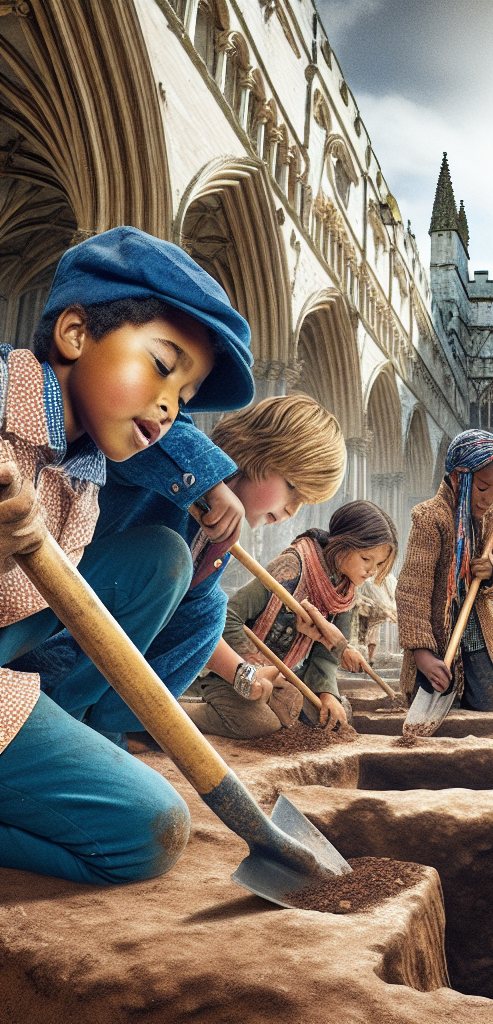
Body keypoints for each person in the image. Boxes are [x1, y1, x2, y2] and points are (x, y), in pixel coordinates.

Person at [0, 225, 253, 883]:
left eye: (186, 395)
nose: (170, 405)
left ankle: (72, 726)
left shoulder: (86, 471)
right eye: (163, 366)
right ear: (76, 335)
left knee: (160, 558)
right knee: (146, 833)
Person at [15, 394, 347, 745]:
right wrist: (211, 482)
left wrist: (244, 675)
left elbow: (183, 623)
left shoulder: (217, 542)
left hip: (96, 668)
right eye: (294, 488)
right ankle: (64, 717)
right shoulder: (163, 461)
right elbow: (149, 420)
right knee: (168, 556)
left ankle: (115, 717)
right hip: (42, 623)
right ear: (260, 449)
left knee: (209, 608)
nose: (294, 510)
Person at [183, 501, 397, 739]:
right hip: (237, 670)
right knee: (257, 724)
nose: (371, 571)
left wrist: (327, 694)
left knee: (329, 715)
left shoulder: (344, 592)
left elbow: (325, 656)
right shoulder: (292, 567)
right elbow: (229, 618)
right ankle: (174, 715)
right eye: (366, 558)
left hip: (284, 676)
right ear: (343, 544)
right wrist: (260, 668)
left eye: (378, 564)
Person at [397, 430, 493, 711]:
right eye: (482, 488)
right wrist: (422, 652)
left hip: (475, 627)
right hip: (436, 633)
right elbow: (412, 590)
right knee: (430, 689)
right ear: (457, 476)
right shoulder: (430, 518)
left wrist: (492, 571)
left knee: (490, 699)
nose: (490, 498)